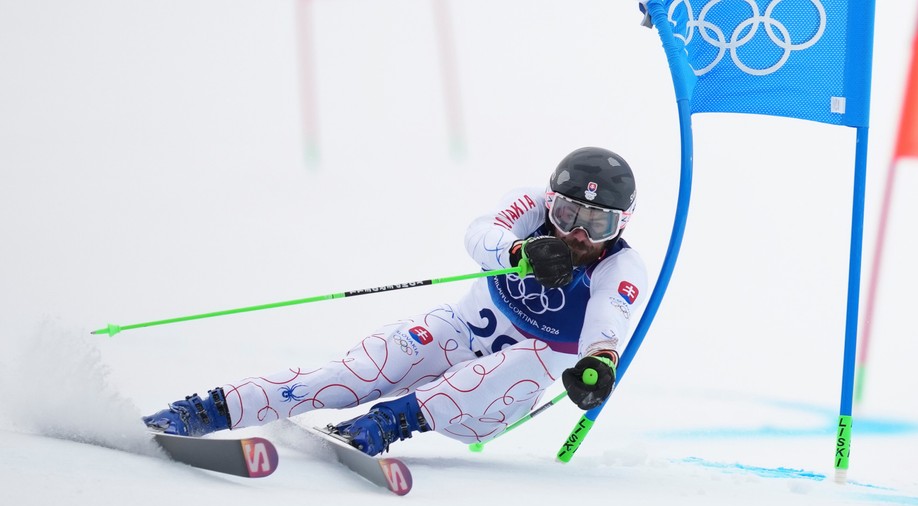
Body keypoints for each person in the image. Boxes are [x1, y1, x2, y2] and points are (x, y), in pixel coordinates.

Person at [143, 146, 648, 456]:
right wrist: (517, 249)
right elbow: (479, 234)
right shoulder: (529, 208)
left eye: (596, 223)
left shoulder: (619, 268)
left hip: (492, 400)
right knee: (353, 374)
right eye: (566, 213)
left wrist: (598, 366)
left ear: (619, 225)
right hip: (458, 332)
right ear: (549, 200)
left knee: (527, 358)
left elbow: (607, 326)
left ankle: (390, 423)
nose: (577, 233)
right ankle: (211, 409)